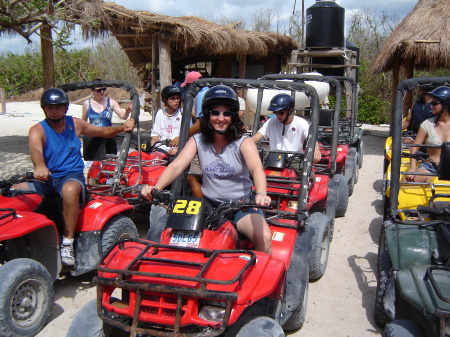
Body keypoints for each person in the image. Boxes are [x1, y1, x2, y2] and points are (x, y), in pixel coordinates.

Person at [142, 85, 272, 254]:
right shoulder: (198, 140)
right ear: (208, 114)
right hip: (208, 205)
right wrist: (156, 188)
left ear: (233, 116)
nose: (221, 118)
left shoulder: (243, 141)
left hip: (241, 205)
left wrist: (261, 193)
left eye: (226, 113)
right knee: (166, 234)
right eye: (215, 113)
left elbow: (256, 169)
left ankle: (261, 278)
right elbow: (177, 166)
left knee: (264, 237)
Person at [13, 88, 135, 266]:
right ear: (44, 109)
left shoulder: (75, 124)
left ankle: (67, 242)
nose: (54, 110)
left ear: (65, 108)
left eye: (58, 107)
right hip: (46, 178)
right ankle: (22, 239)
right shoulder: (37, 129)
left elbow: (102, 132)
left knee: (70, 190)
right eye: (50, 107)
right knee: (13, 191)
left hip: (70, 176)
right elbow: (35, 150)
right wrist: (40, 165)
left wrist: (122, 127)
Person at [252, 93, 322, 163]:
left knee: (310, 173)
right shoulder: (271, 121)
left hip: (294, 161)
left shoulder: (301, 123)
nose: (278, 116)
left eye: (281, 113)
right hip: (273, 160)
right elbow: (256, 137)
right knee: (257, 171)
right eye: (275, 112)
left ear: (289, 111)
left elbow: (312, 139)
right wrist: (244, 146)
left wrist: (316, 150)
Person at [405, 86, 450, 183]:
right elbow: (415, 147)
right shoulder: (427, 124)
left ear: (446, 105)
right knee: (405, 182)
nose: (431, 106)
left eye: (434, 103)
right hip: (430, 167)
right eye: (431, 103)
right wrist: (412, 168)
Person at [81, 81, 132, 154]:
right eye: (99, 90)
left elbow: (123, 117)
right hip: (93, 138)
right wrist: (82, 137)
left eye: (103, 89)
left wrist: (127, 111)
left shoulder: (111, 102)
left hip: (109, 137)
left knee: (111, 163)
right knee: (94, 163)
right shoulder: (87, 104)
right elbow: (83, 123)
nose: (102, 92)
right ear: (92, 91)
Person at [151, 85, 187, 156]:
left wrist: (177, 147)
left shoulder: (183, 113)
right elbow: (155, 136)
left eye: (177, 98)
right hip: (162, 148)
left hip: (179, 148)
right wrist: (152, 148)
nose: (176, 101)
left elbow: (188, 135)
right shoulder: (160, 113)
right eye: (173, 98)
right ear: (165, 101)